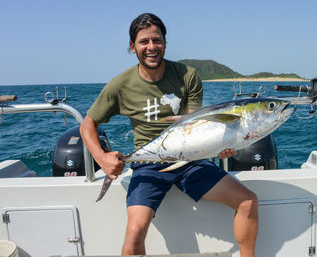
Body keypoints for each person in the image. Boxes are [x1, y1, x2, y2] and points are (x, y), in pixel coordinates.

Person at [80, 13, 258, 257]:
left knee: (248, 201)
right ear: (133, 47)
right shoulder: (120, 85)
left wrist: (221, 145)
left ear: (165, 42)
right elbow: (88, 124)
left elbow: (196, 129)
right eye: (144, 42)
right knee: (133, 235)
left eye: (157, 40)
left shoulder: (187, 76)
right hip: (148, 165)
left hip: (191, 161)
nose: (151, 47)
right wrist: (102, 158)